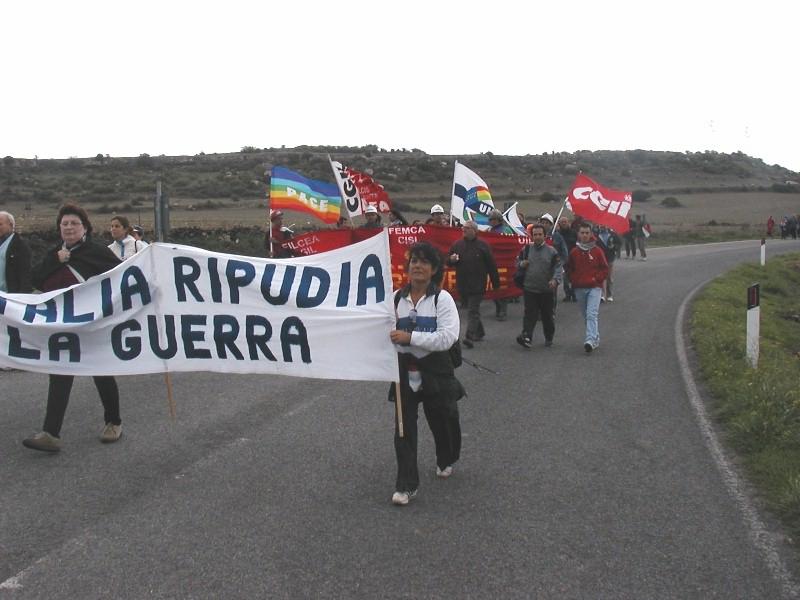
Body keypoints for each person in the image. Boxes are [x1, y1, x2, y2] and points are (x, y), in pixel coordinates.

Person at [23, 204, 123, 453]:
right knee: (59, 374)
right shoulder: (53, 254)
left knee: (102, 373)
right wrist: (56, 262)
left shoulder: (97, 253)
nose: (68, 227)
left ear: (85, 228)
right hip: (62, 326)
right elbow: (35, 280)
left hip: (93, 325)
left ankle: (113, 422)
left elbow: (122, 277)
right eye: (64, 224)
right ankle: (51, 433)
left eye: (74, 223)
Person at [389, 242, 464, 506]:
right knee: (403, 429)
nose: (417, 266)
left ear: (434, 270)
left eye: (423, 262)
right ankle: (407, 484)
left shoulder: (443, 300)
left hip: (436, 370)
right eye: (413, 262)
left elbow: (447, 338)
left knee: (444, 420)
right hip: (403, 372)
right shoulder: (395, 299)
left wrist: (410, 337)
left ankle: (447, 457)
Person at [447, 221, 500, 348]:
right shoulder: (457, 245)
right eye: (463, 228)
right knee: (472, 310)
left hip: (478, 284)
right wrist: (451, 260)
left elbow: (491, 265)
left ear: (474, 230)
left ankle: (469, 336)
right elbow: (448, 261)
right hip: (463, 284)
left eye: (467, 228)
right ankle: (479, 331)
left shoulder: (483, 245)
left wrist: (496, 283)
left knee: (472, 310)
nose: (463, 230)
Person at [515, 224, 562, 349]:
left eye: (539, 234)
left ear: (544, 236)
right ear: (531, 236)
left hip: (546, 289)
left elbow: (558, 268)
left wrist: (555, 280)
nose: (537, 237)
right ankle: (527, 336)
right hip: (530, 288)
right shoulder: (526, 249)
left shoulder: (552, 252)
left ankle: (549, 337)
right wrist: (521, 264)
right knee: (530, 314)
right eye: (535, 234)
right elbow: (517, 262)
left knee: (547, 316)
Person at [567, 223, 609, 353]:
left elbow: (605, 268)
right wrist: (573, 279)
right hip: (579, 287)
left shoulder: (597, 251)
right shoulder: (574, 252)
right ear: (578, 234)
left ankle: (589, 340)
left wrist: (597, 279)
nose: (584, 235)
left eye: (587, 233)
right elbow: (569, 268)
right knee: (586, 315)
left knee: (592, 314)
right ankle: (595, 337)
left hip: (594, 287)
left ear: (591, 234)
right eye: (582, 233)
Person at [0, 211, 32, 293]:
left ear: (11, 225)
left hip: (10, 297)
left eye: (0, 224)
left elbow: (25, 275)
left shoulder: (20, 246)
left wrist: (23, 298)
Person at [487, 209, 508, 321]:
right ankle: (498, 306)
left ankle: (503, 309)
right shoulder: (489, 231)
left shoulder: (505, 230)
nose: (491, 221)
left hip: (503, 262)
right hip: (492, 262)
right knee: (493, 287)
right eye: (490, 219)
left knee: (502, 288)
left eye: (493, 219)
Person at [595, 225, 620, 302]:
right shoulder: (596, 234)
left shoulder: (613, 234)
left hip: (610, 258)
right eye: (601, 225)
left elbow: (619, 243)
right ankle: (602, 295)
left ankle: (609, 294)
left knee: (609, 276)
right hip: (599, 258)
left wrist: (614, 246)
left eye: (604, 225)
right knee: (601, 276)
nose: (603, 226)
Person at [557, 216, 577, 301]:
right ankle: (567, 294)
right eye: (562, 222)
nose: (564, 223)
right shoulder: (558, 234)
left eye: (565, 221)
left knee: (574, 277)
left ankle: (574, 294)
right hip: (563, 258)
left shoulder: (573, 233)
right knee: (565, 278)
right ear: (559, 223)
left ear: (568, 222)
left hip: (573, 258)